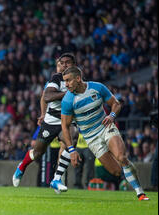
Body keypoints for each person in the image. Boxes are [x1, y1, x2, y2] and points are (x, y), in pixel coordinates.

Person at [61, 66, 149, 201]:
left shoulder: (97, 87)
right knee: (116, 171)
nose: (66, 84)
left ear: (78, 78)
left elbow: (116, 103)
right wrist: (72, 150)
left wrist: (112, 116)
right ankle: (128, 170)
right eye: (64, 81)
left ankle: (140, 193)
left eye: (68, 81)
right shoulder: (68, 100)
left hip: (106, 127)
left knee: (121, 157)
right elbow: (65, 127)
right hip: (91, 139)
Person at [12, 53, 78, 193]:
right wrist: (43, 114)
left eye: (68, 63)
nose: (65, 65)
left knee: (71, 138)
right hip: (51, 120)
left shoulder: (78, 81)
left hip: (67, 120)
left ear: (74, 65)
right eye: (62, 62)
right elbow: (46, 96)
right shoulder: (56, 78)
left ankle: (56, 179)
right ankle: (21, 167)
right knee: (38, 152)